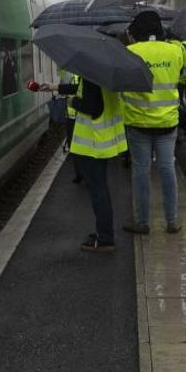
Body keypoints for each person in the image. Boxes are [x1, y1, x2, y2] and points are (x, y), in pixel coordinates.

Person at [38, 72, 127, 253]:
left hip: (93, 143)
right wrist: (54, 87)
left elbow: (92, 106)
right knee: (100, 189)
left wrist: (71, 102)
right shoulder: (105, 74)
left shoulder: (91, 75)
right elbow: (82, 90)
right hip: (103, 140)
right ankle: (104, 234)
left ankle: (105, 239)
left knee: (98, 191)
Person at [121, 12, 186, 235]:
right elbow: (180, 77)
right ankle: (172, 221)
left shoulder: (129, 53)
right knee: (168, 169)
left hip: (138, 121)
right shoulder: (175, 51)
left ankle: (142, 222)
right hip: (168, 121)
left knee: (141, 171)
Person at [59, 69, 84, 183]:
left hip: (74, 116)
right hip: (78, 116)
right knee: (79, 147)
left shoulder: (68, 72)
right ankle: (81, 173)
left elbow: (64, 91)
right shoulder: (85, 72)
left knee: (76, 147)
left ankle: (79, 174)